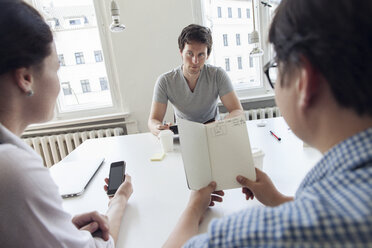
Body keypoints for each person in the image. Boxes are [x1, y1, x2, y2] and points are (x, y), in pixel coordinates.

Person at [164, 0, 372, 247]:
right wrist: (279, 199)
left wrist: (196, 205)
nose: (196, 60)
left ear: (305, 83)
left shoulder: (262, 231)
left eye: (275, 67)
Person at [0, 1, 133, 247]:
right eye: (56, 69)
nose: (59, 84)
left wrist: (59, 228)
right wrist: (119, 200)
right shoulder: (11, 168)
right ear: (26, 78)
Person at [148, 24, 243, 136]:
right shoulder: (165, 81)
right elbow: (153, 120)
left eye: (201, 55)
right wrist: (158, 128)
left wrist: (221, 124)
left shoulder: (218, 75)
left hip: (214, 133)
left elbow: (237, 111)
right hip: (184, 136)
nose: (195, 61)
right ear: (181, 52)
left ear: (207, 55)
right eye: (190, 53)